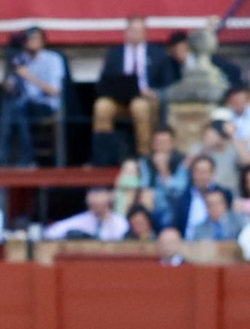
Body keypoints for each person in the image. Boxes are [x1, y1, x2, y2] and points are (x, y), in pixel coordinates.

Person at [91, 17, 163, 165]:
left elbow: (167, 82)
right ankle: (103, 158)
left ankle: (144, 156)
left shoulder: (158, 53)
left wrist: (154, 92)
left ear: (145, 33)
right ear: (126, 32)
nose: (135, 34)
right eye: (132, 30)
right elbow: (103, 80)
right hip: (119, 99)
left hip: (145, 99)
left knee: (139, 107)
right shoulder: (114, 53)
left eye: (139, 31)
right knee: (102, 106)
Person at [0, 27, 66, 167]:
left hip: (45, 104)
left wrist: (29, 76)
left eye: (35, 39)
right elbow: (12, 86)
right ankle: (4, 156)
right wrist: (8, 83)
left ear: (43, 41)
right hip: (22, 104)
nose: (32, 42)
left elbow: (55, 91)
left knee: (16, 109)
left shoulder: (53, 59)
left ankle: (22, 158)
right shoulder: (20, 58)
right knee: (9, 105)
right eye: (29, 39)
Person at [44, 187, 130, 239]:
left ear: (109, 204)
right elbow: (51, 232)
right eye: (93, 206)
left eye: (101, 205)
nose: (97, 209)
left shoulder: (120, 222)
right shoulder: (82, 220)